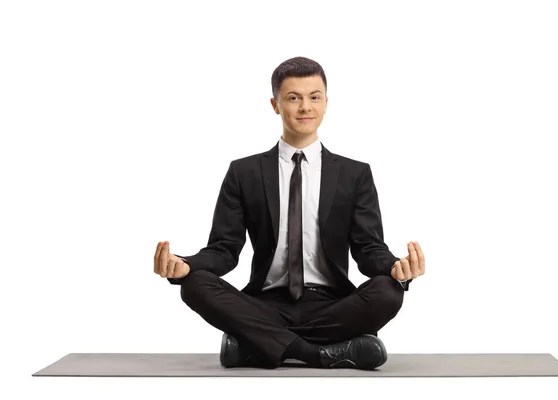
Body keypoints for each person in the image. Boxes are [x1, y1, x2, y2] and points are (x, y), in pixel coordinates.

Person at [153, 56, 425, 370]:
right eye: (293, 98)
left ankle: (254, 344)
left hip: (332, 304)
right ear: (275, 104)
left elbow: (367, 249)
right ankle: (320, 353)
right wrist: (185, 266)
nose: (305, 107)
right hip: (266, 303)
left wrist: (395, 267)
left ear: (326, 103)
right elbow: (224, 251)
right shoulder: (245, 172)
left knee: (388, 292)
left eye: (314, 97)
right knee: (195, 285)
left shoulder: (355, 174)